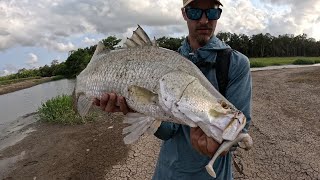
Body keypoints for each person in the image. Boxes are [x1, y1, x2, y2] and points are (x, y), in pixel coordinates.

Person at [94, 0, 252, 179]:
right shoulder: (170, 59)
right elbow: (168, 131)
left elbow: (239, 129)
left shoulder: (235, 63)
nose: (203, 20)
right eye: (194, 12)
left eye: (212, 12)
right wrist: (138, 108)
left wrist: (223, 144)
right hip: (168, 172)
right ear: (184, 13)